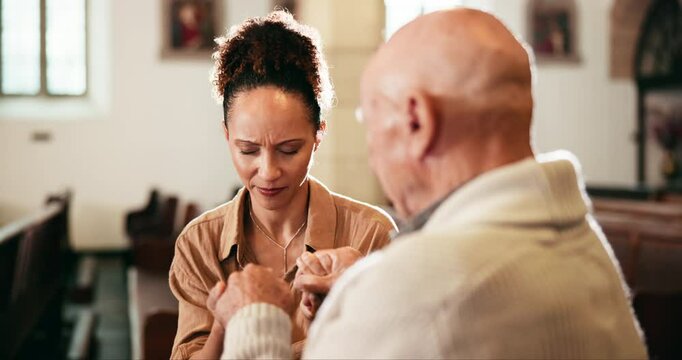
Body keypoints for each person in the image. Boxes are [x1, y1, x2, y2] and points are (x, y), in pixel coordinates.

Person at [210, 8, 649, 359]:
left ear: (417, 121)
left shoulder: (416, 292)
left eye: (371, 119)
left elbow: (428, 305)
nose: (371, 149)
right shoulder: (584, 244)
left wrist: (257, 321)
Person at [168, 11, 396, 359]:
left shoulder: (369, 235)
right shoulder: (200, 243)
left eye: (289, 150)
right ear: (227, 136)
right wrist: (224, 319)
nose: (269, 171)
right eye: (248, 150)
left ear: (319, 134)